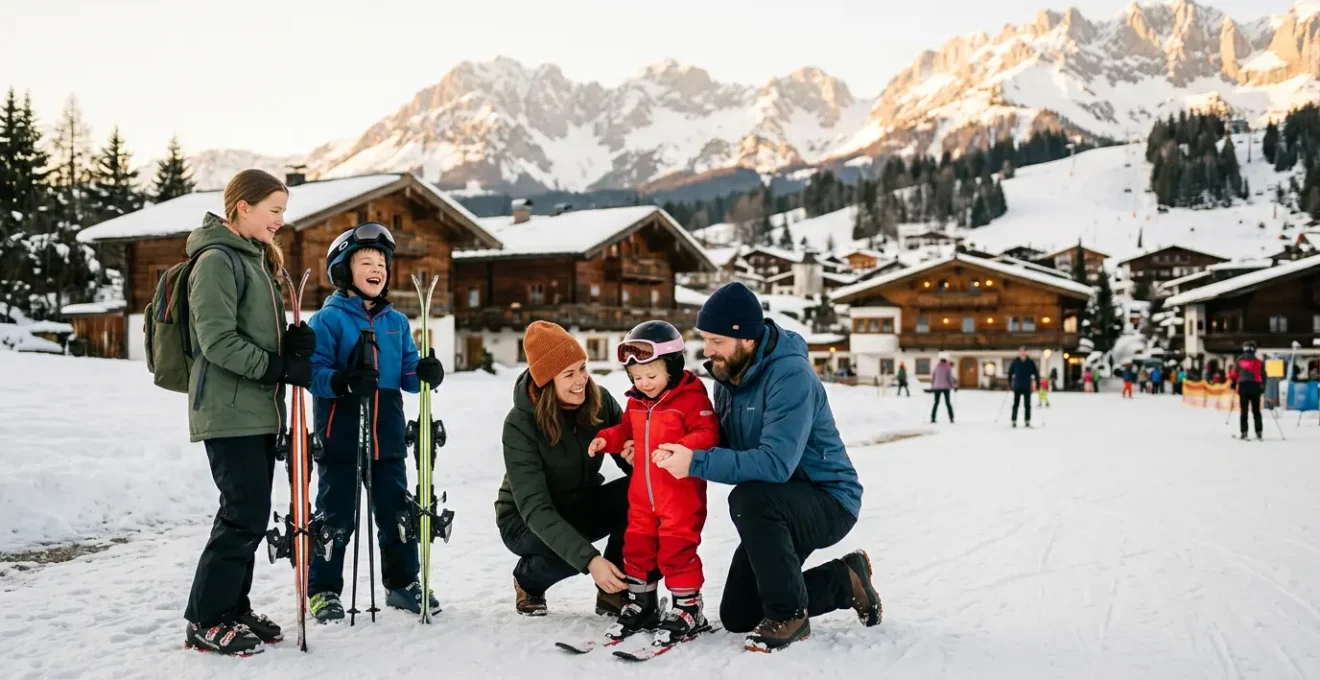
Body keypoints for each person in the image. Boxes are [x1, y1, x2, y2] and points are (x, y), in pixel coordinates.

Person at [650, 282, 880, 653]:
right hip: (780, 503)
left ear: (747, 338)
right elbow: (721, 442)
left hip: (829, 499)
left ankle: (790, 616)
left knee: (750, 498)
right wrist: (663, 443)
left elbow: (775, 463)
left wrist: (695, 463)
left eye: (716, 341)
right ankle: (845, 580)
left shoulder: (791, 377)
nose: (707, 351)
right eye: (704, 339)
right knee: (739, 614)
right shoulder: (728, 377)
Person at [182, 170, 315, 656]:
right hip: (228, 408)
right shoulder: (217, 260)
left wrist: (292, 346)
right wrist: (275, 367)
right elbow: (216, 341)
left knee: (252, 515)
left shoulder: (254, 259)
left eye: (283, 210)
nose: (282, 220)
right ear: (242, 207)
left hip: (257, 409)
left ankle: (233, 607)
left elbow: (254, 333)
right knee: (241, 514)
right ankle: (206, 618)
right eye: (274, 210)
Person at [304, 223, 446, 622]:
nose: (376, 268)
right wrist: (343, 381)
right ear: (343, 270)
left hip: (387, 434)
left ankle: (402, 584)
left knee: (397, 514)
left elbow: (406, 376)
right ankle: (324, 590)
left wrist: (425, 373)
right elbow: (313, 374)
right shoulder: (328, 320)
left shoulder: (396, 323)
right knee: (336, 515)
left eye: (381, 262)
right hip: (341, 430)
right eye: (365, 261)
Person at [588, 321, 720, 645]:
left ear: (672, 368)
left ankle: (688, 606)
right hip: (642, 499)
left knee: (677, 551)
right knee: (637, 548)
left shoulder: (690, 398)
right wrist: (607, 440)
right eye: (637, 378)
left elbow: (709, 433)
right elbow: (625, 432)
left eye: (651, 376)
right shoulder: (635, 403)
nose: (644, 383)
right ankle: (642, 603)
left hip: (680, 498)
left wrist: (687, 448)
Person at [496, 321, 634, 617]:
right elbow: (535, 508)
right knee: (568, 555)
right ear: (547, 381)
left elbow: (630, 459)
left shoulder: (600, 402)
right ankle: (528, 580)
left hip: (577, 505)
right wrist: (591, 560)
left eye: (582, 368)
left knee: (637, 496)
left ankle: (614, 592)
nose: (581, 380)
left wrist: (636, 455)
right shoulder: (519, 425)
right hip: (524, 520)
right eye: (568, 374)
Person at [1235, 342, 1265, 440]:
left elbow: (1234, 373)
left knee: (1244, 411)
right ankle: (1259, 431)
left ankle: (1244, 432)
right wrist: (1263, 386)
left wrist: (1233, 382)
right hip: (1256, 387)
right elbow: (1264, 375)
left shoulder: (1239, 360)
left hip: (1243, 386)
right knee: (1256, 411)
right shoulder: (1259, 362)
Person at [1007, 347, 1038, 428]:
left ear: (1026, 353)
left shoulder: (1030, 362)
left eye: (1024, 352)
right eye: (1021, 352)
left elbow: (1036, 374)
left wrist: (1037, 384)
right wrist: (1010, 384)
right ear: (1019, 353)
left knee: (1027, 405)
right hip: (1017, 387)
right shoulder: (1015, 362)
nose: (1023, 353)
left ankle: (1027, 421)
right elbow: (1010, 373)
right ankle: (1014, 420)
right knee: (1015, 405)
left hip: (1027, 387)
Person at [930, 355, 956, 423]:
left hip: (937, 387)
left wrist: (932, 385)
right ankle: (951, 417)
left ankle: (933, 417)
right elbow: (950, 378)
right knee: (948, 403)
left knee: (936, 402)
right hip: (946, 387)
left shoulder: (936, 367)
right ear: (946, 361)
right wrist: (953, 386)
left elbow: (933, 377)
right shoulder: (948, 368)